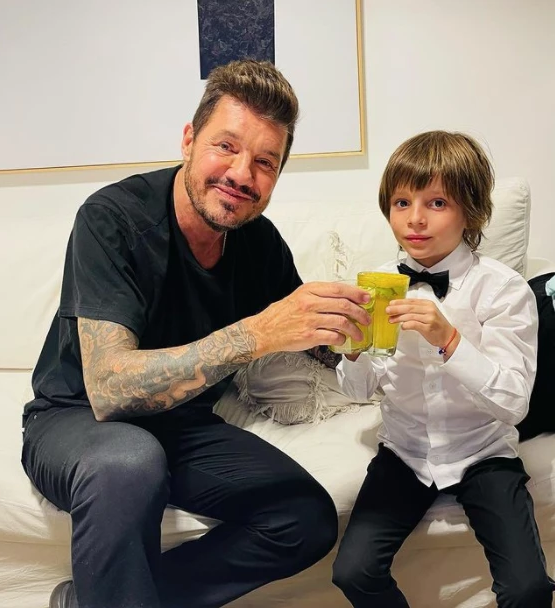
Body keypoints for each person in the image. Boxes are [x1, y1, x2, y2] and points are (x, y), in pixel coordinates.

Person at [21, 59, 371, 608]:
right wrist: (257, 333)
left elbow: (308, 339)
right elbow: (111, 388)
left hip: (182, 425)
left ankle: (93, 600)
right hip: (77, 417)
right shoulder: (113, 218)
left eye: (265, 162)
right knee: (129, 461)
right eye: (225, 146)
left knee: (304, 517)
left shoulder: (258, 242)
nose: (241, 174)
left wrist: (350, 334)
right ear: (188, 140)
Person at [331, 131, 555, 607]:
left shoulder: (503, 289)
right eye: (401, 202)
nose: (415, 218)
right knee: (352, 571)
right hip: (404, 450)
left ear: (470, 211)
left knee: (529, 588)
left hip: (483, 450)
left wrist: (451, 341)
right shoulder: (378, 286)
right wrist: (351, 351)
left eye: (437, 202)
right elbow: (358, 391)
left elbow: (513, 404)